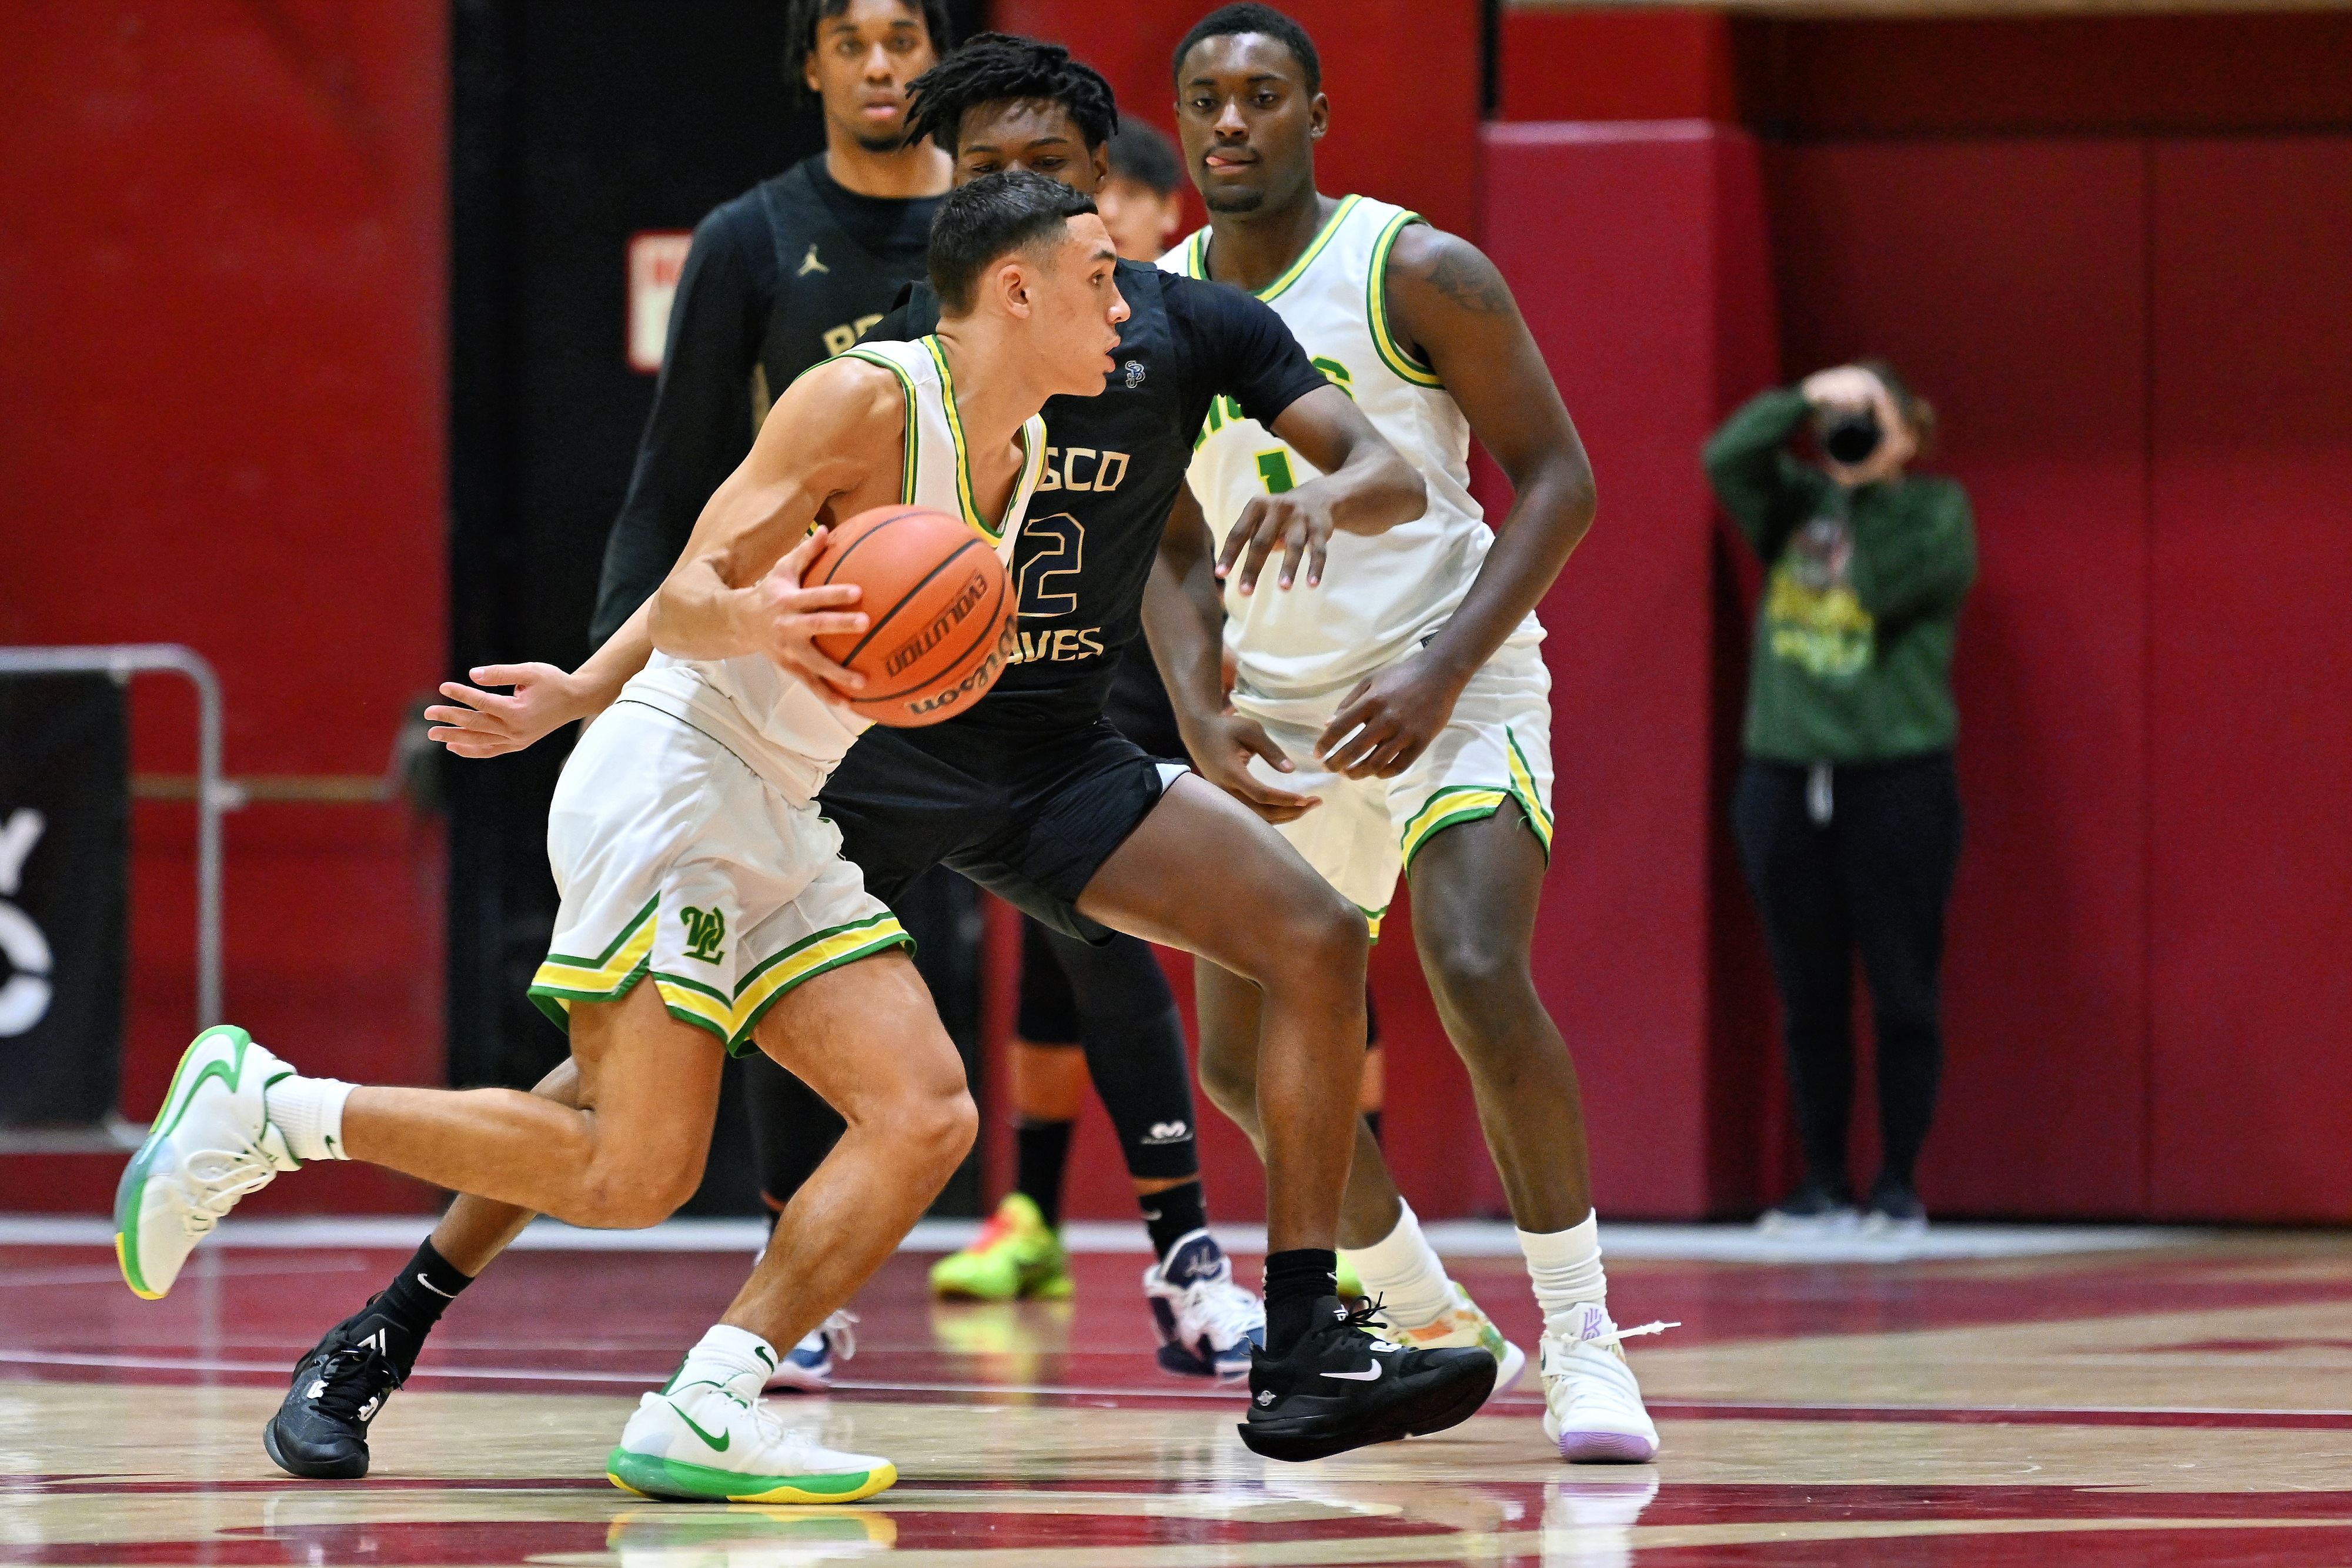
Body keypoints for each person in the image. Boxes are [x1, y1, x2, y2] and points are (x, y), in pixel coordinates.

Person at [269, 35, 1501, 1469]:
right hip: (857, 755)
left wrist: (1237, 651)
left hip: (1053, 749)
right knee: (634, 1084)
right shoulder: (898, 354)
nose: (1003, 193)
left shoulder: (1174, 331)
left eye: (1040, 169)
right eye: (976, 173)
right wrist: (593, 688)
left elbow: (1267, 504)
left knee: (1304, 930)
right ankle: (387, 1328)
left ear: (1096, 188)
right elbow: (714, 538)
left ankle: (1292, 1333)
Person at [123, 173, 1124, 1504]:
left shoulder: (1032, 450)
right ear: (1016, 288)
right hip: (681, 778)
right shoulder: (864, 400)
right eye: (1101, 277)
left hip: (774, 799)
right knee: (633, 1166)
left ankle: (708, 1400)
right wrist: (737, 630)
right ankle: (270, 1109)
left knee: (924, 1108)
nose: (1125, 302)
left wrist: (585, 684)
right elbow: (696, 584)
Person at [1150, 2, 1667, 1464]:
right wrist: (1200, 705)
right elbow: (1166, 545)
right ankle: (1429, 1309)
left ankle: (1583, 1339)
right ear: (1180, 122)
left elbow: (1558, 479)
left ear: (1317, 113)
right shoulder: (1151, 307)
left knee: (1473, 964)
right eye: (1205, 99)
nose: (1230, 121)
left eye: (1261, 94)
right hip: (1279, 717)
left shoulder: (1414, 267)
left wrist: (1440, 673)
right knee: (1243, 1070)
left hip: (1450, 685)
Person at [1704, 361, 1974, 1236]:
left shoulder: (1935, 513)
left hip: (1897, 777)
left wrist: (1868, 484)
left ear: (1913, 433)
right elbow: (1725, 457)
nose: (1856, 433)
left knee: (1901, 985)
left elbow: (1881, 585)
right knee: (1806, 989)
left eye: (1877, 417)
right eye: (1848, 420)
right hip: (1783, 776)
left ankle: (1897, 1181)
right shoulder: (1790, 504)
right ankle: (1820, 1178)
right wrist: (1807, 400)